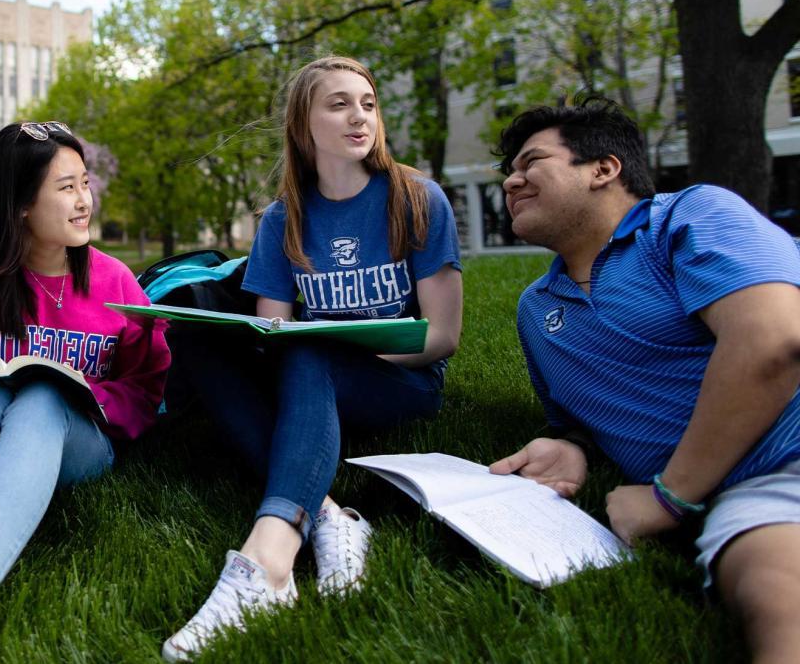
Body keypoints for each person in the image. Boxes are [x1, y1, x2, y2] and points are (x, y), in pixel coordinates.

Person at [162, 55, 463, 660]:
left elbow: (442, 337)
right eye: (339, 104)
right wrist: (285, 340)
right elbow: (275, 333)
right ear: (303, 126)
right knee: (200, 336)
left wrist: (337, 342)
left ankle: (267, 560)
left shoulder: (417, 198)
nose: (360, 117)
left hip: (400, 384)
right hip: (309, 382)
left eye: (368, 104)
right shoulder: (282, 219)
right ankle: (330, 515)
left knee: (313, 351)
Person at [489, 97, 800, 664]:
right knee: (773, 592)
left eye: (531, 162)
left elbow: (773, 342)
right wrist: (571, 447)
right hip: (752, 498)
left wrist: (669, 496)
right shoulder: (537, 311)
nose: (512, 181)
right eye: (509, 171)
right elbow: (574, 421)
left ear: (603, 169)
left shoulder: (687, 217)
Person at [0, 122, 170, 664]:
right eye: (66, 188)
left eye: (85, 183)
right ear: (20, 204)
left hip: (76, 441)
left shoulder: (116, 284)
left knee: (42, 397)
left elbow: (148, 387)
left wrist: (88, 395)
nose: (85, 200)